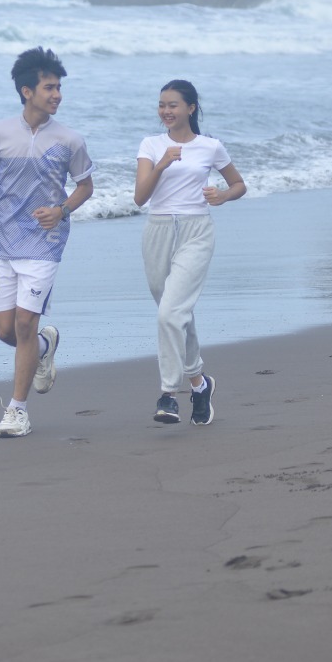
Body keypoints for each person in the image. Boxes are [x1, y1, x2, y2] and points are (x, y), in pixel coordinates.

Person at [0, 47, 94, 438]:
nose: (57, 95)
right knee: (6, 332)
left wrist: (61, 209)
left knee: (25, 323)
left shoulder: (70, 140)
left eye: (59, 88)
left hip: (45, 241)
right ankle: (44, 347)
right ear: (27, 91)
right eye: (49, 88)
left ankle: (17, 410)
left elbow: (85, 186)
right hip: (1, 240)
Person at [133, 79, 245, 425]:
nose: (166, 111)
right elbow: (140, 197)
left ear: (190, 109)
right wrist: (162, 163)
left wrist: (222, 196)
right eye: (162, 105)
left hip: (196, 232)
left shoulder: (210, 146)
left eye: (173, 105)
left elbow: (238, 184)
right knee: (177, 314)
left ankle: (168, 395)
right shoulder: (151, 145)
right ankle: (199, 382)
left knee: (170, 314)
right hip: (158, 231)